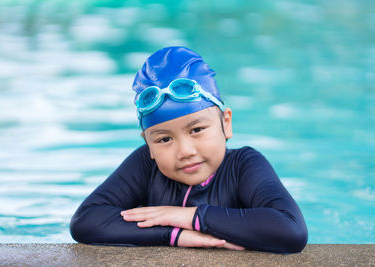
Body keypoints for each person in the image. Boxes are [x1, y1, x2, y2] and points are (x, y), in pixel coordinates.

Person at [70, 46, 308, 253]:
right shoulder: (145, 164)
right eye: (163, 140)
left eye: (196, 130)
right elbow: (86, 221)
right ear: (149, 145)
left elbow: (291, 230)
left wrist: (189, 216)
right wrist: (173, 235)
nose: (184, 151)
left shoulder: (244, 165)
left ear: (226, 123)